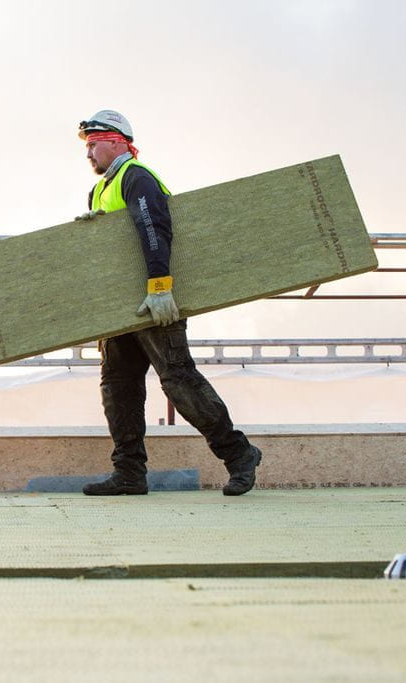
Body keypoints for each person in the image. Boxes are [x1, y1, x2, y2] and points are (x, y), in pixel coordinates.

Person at [74, 109, 261, 496]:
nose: (88, 153)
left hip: (155, 301)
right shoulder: (100, 189)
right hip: (120, 310)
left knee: (179, 381)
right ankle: (129, 473)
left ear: (117, 143)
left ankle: (239, 455)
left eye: (93, 144)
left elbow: (154, 227)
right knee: (118, 388)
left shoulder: (137, 177)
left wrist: (160, 287)